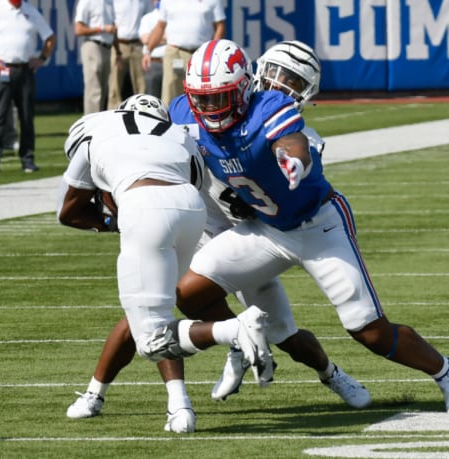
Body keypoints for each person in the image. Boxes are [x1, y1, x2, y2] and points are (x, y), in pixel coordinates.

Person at [63, 46, 372, 423]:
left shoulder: (279, 128)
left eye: (293, 82)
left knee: (280, 331)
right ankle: (219, 354)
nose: (283, 87)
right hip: (201, 237)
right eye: (278, 76)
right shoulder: (182, 130)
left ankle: (329, 373)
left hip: (247, 238)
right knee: (144, 315)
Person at [170, 38, 449, 415]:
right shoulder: (184, 112)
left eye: (220, 97)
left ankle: (448, 372)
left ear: (244, 88)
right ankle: (237, 340)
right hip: (266, 230)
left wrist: (293, 160)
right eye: (203, 98)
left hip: (318, 226)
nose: (209, 107)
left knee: (369, 331)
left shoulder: (270, 106)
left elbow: (292, 140)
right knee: (189, 294)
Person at [58, 93, 274, 433]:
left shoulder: (101, 129)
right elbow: (195, 188)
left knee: (152, 333)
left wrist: (110, 221)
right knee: (146, 317)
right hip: (189, 211)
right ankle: (102, 396)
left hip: (143, 208)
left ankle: (233, 332)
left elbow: (69, 213)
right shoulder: (179, 136)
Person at [0, 0, 55, 174]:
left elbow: (50, 37)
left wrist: (42, 58)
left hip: (25, 68)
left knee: (27, 116)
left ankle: (28, 158)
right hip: (2, 69)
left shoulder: (30, 11)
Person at [143, 0, 225, 105]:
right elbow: (160, 27)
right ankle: (169, 120)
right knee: (170, 92)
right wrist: (148, 50)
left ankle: (201, 120)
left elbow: (220, 26)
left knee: (202, 93)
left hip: (201, 55)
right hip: (175, 53)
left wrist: (212, 51)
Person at [74, 0, 117, 114]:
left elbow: (113, 29)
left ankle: (100, 124)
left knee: (103, 90)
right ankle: (90, 125)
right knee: (94, 90)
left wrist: (118, 51)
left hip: (108, 47)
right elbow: (78, 29)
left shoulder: (110, 2)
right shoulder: (86, 2)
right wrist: (101, 29)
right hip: (92, 45)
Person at [107, 0, 152, 109]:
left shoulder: (144, 2)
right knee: (114, 86)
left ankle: (142, 114)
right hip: (119, 44)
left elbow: (149, 19)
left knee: (141, 85)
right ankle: (112, 115)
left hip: (138, 45)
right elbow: (110, 20)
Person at [138, 0, 163, 99]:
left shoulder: (173, 17)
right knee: (152, 98)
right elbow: (145, 39)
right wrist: (164, 36)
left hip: (171, 62)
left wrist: (154, 36)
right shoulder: (147, 18)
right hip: (154, 63)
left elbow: (175, 37)